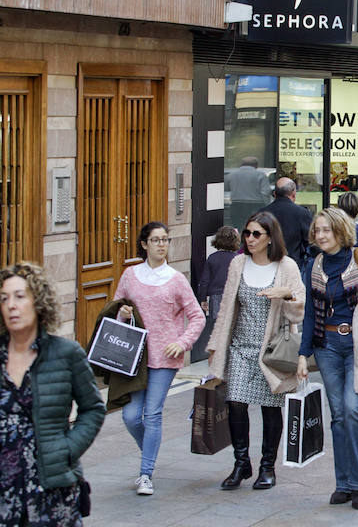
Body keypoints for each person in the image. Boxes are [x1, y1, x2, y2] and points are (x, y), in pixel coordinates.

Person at [0, 262, 105, 525]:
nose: (11, 305)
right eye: (4, 298)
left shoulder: (65, 354)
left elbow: (93, 408)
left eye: (20, 296)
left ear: (39, 301)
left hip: (52, 489)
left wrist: (68, 449)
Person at [207, 211, 305, 492]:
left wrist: (285, 295)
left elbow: (300, 307)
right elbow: (226, 307)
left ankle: (267, 467)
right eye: (247, 233)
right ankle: (241, 463)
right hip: (239, 345)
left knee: (270, 408)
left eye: (256, 234)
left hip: (271, 350)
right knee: (235, 402)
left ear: (270, 238)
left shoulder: (286, 267)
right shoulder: (238, 263)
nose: (249, 239)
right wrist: (216, 346)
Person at [296, 208, 358, 510]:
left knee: (352, 409)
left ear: (340, 231)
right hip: (327, 346)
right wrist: (302, 354)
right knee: (337, 416)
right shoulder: (314, 265)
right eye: (317, 230)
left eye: (327, 230)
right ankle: (343, 484)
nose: (320, 235)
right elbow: (309, 312)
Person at [115, 222, 205, 495]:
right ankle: (150, 451)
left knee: (152, 414)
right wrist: (124, 314)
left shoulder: (176, 279)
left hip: (165, 358)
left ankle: (146, 473)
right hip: (136, 357)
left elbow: (197, 316)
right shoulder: (130, 275)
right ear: (144, 244)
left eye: (165, 239)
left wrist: (182, 342)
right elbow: (116, 310)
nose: (161, 244)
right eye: (155, 240)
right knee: (131, 416)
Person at [196, 225, 241, 354]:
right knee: (233, 325)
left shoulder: (212, 258)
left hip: (216, 296)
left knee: (218, 326)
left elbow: (204, 281)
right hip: (233, 295)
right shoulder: (237, 259)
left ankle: (218, 353)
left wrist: (203, 299)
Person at [259, 177, 313, 270]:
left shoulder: (262, 213)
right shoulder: (302, 213)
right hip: (293, 266)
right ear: (293, 193)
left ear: (274, 194)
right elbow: (310, 241)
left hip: (266, 265)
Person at [225, 157, 271, 231]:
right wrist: (266, 204)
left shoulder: (232, 175)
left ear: (242, 164)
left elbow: (225, 187)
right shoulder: (260, 175)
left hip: (237, 204)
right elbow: (265, 191)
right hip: (256, 205)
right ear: (256, 165)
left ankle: (241, 240)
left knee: (240, 227)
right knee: (255, 227)